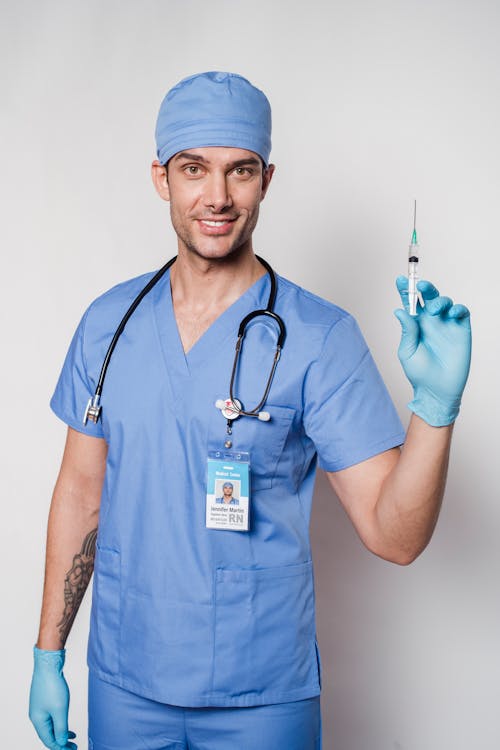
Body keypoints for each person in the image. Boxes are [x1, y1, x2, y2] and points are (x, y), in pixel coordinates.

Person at [29, 71, 471, 750]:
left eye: (240, 171)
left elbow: (396, 536)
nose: (217, 196)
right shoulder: (108, 326)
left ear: (266, 179)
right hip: (123, 681)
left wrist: (435, 408)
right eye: (194, 169)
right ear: (161, 178)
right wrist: (48, 655)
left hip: (260, 700)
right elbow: (82, 493)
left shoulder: (320, 337)